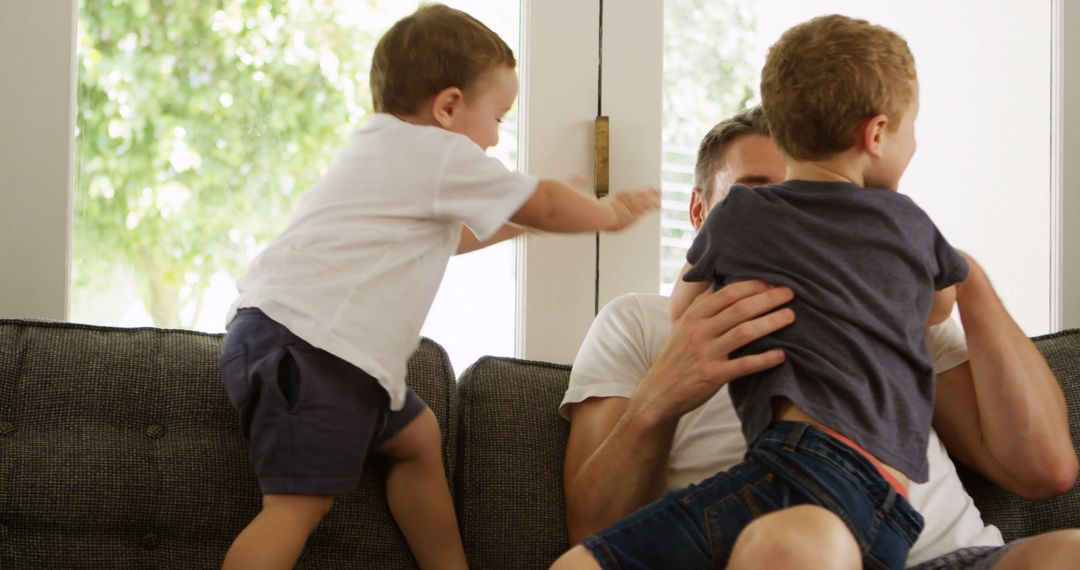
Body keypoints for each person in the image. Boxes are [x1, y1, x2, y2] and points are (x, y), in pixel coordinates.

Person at [217, 5, 660, 570]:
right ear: (449, 106)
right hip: (311, 348)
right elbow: (544, 201)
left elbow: (453, 238)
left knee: (418, 438)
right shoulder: (436, 151)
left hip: (312, 346)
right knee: (295, 506)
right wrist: (605, 212)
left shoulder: (386, 153)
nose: (497, 139)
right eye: (498, 116)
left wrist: (528, 217)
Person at [555, 93, 1078, 570]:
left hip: (951, 558)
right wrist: (661, 396)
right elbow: (596, 531)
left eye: (816, 202)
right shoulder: (638, 323)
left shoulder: (889, 311)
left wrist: (967, 278)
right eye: (761, 198)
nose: (796, 221)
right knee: (801, 543)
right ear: (701, 214)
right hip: (787, 549)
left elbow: (1044, 469)